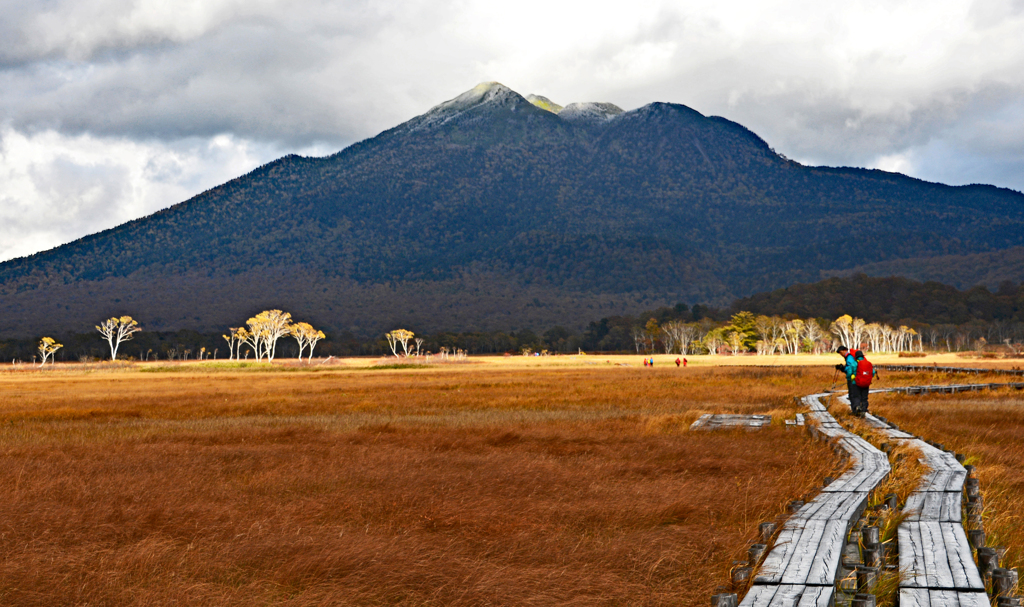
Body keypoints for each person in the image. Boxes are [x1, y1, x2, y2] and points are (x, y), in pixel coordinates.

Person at [835, 346, 859, 415]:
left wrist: (842, 368)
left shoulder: (849, 357)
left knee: (852, 395)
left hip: (852, 379)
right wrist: (843, 368)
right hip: (854, 378)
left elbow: (851, 368)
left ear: (844, 350)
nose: (840, 354)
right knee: (854, 394)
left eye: (841, 352)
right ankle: (856, 410)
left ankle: (855, 411)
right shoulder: (849, 357)